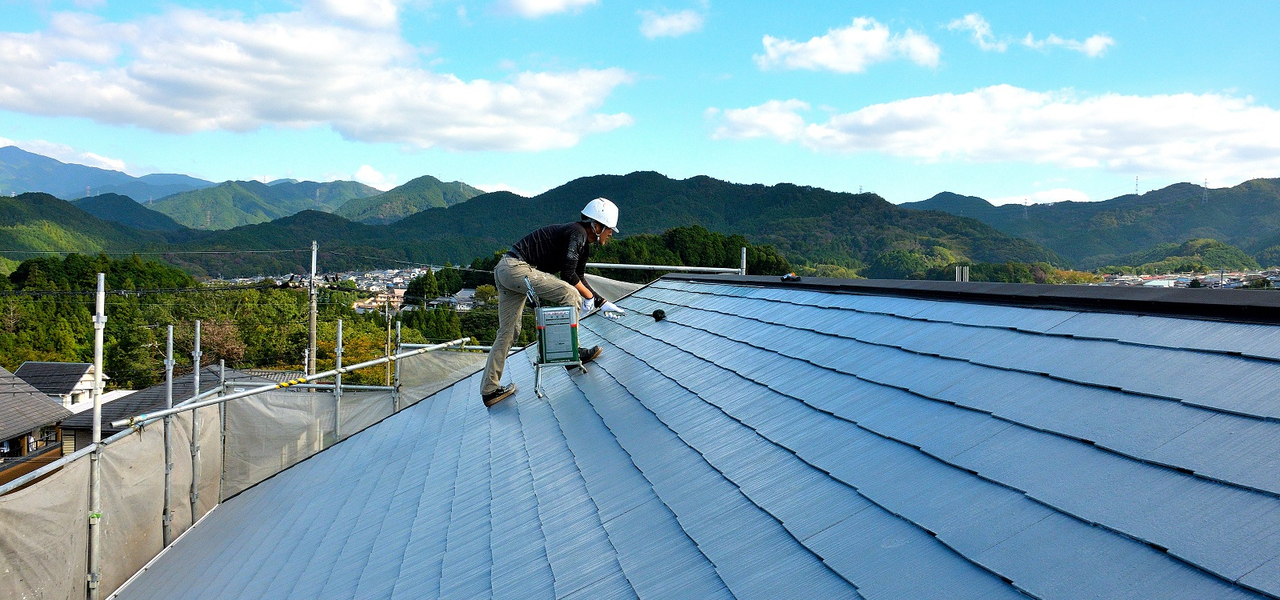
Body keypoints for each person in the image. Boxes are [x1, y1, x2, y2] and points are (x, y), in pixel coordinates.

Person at [481, 197, 625, 407]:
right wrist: (588, 297)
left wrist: (601, 302)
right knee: (570, 294)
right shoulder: (578, 233)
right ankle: (572, 354)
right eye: (609, 228)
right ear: (596, 226)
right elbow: (568, 276)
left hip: (505, 269)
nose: (611, 233)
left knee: (508, 332)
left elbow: (579, 277)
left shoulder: (582, 243)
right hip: (517, 268)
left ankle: (489, 390)